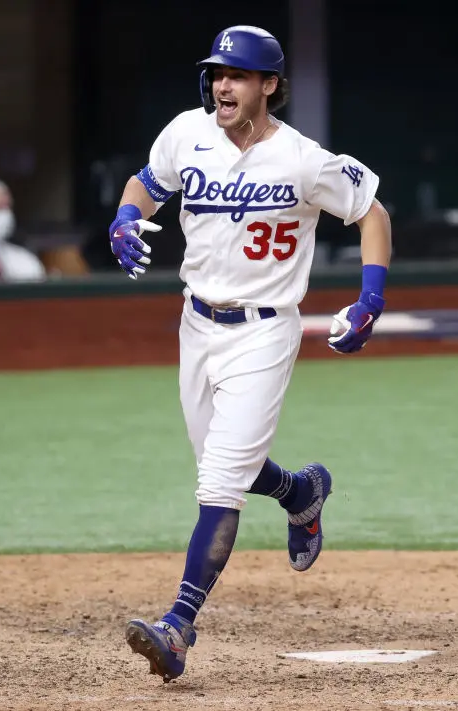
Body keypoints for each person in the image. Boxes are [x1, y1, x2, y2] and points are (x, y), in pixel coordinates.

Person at [109, 26, 392, 682]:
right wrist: (125, 218)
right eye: (216, 73)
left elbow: (372, 214)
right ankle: (302, 492)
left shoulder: (300, 159)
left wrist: (370, 295)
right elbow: (146, 183)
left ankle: (178, 625)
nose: (222, 85)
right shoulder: (187, 132)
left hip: (265, 332)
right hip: (196, 326)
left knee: (217, 483)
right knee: (223, 462)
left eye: (237, 75)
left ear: (270, 85)